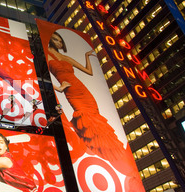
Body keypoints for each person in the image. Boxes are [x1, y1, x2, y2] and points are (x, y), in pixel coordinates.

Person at [47, 31, 126, 164]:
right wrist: (59, 88)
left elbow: (88, 71)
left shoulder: (64, 57)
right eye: (55, 39)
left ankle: (111, 155)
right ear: (50, 40)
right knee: (85, 119)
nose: (58, 42)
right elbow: (43, 78)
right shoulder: (47, 55)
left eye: (60, 41)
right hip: (72, 92)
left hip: (83, 91)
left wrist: (86, 56)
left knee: (95, 119)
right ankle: (97, 154)